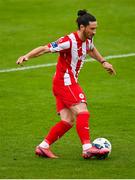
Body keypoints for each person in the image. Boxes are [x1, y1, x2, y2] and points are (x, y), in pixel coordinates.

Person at [16, 9, 116, 159]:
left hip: (63, 82)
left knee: (68, 121)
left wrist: (103, 61)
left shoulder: (88, 39)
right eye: (92, 28)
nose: (94, 32)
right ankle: (87, 148)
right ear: (82, 27)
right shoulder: (68, 41)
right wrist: (27, 56)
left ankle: (43, 147)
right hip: (65, 82)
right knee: (83, 111)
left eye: (96, 28)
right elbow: (45, 48)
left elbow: (91, 49)